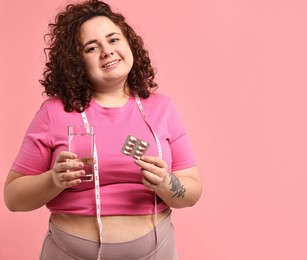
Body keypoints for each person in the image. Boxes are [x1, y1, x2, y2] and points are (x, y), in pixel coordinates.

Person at [3, 0, 202, 259]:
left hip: (156, 252)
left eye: (113, 39)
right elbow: (13, 198)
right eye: (92, 47)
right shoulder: (54, 113)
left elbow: (193, 190)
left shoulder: (162, 108)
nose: (107, 51)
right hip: (69, 253)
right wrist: (53, 180)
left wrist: (166, 183)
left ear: (129, 44)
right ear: (76, 62)